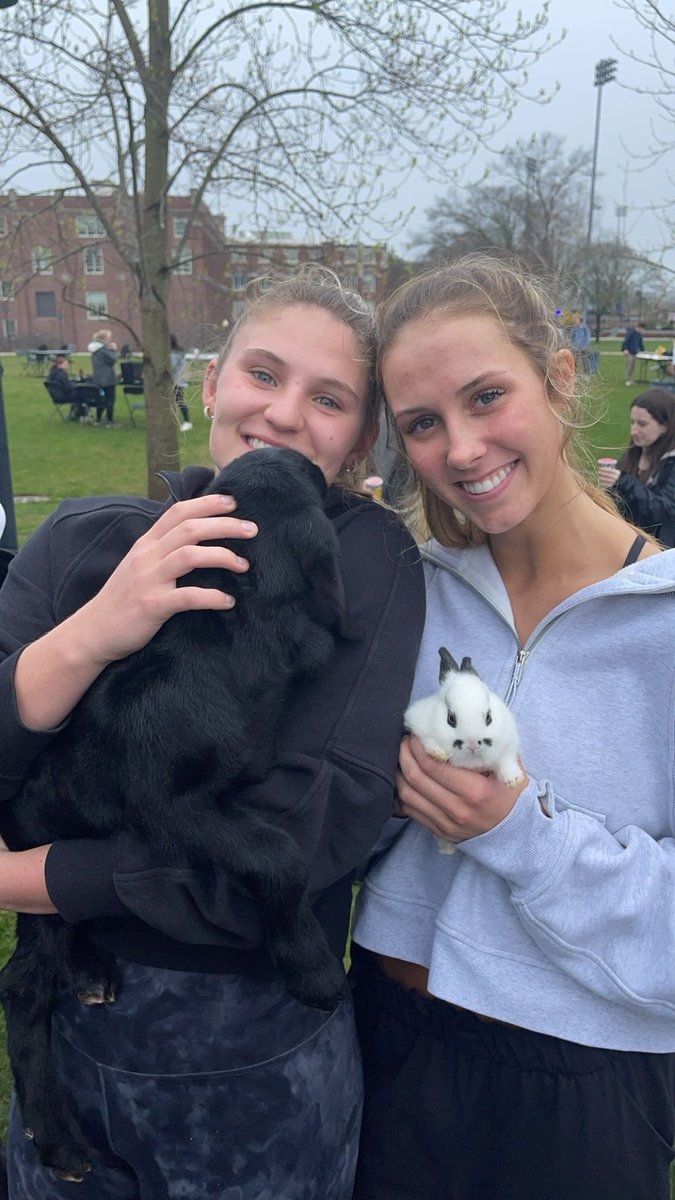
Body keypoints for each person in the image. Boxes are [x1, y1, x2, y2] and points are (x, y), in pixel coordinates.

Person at [0, 267, 424, 1199]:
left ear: (360, 439)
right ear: (210, 383)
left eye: (329, 398)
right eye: (262, 374)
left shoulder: (358, 556)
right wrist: (87, 636)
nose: (280, 413)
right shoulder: (80, 540)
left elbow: (309, 828)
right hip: (70, 1034)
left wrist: (31, 879)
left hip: (250, 1053)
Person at [350, 254, 675, 1200]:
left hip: (584, 1085)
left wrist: (513, 831)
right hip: (384, 1041)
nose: (460, 448)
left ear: (561, 376)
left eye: (487, 396)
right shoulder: (408, 591)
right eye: (421, 423)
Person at [598, 386, 675, 548]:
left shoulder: (671, 462)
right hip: (629, 542)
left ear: (665, 427)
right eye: (633, 422)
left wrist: (624, 482)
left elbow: (664, 512)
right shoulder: (634, 454)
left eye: (642, 424)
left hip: (660, 550)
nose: (634, 431)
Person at [87, 328, 120, 427]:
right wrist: (114, 350)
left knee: (101, 399)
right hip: (108, 379)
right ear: (104, 338)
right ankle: (110, 421)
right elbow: (113, 360)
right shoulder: (103, 350)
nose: (110, 340)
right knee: (110, 400)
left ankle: (98, 419)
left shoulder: (95, 350)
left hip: (98, 378)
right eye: (109, 338)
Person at [46, 355, 90, 422]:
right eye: (66, 364)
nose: (67, 366)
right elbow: (68, 387)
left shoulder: (52, 373)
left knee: (77, 394)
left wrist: (72, 382)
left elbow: (63, 384)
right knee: (82, 394)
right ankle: (82, 415)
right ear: (59, 365)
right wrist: (76, 385)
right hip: (64, 396)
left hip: (56, 396)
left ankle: (74, 414)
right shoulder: (62, 374)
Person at [169, 333, 192, 431]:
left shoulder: (174, 354)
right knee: (177, 400)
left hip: (177, 380)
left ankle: (187, 422)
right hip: (178, 379)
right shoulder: (178, 352)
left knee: (179, 399)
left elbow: (171, 367)